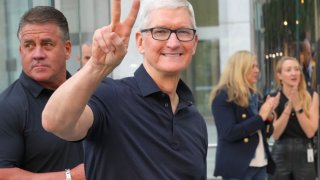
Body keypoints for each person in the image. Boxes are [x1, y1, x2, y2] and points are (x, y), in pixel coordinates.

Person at [42, 0, 208, 179]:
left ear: (195, 43)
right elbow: (54, 122)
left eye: (183, 32)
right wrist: (96, 66)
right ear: (140, 42)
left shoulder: (195, 121)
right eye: (161, 32)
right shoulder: (110, 97)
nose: (173, 43)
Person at [0, 6, 85, 179]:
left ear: (67, 49)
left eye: (47, 44)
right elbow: (4, 174)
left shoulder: (90, 92)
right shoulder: (7, 106)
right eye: (29, 46)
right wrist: (72, 176)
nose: (37, 54)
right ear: (21, 51)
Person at [210, 50, 279, 179]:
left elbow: (266, 134)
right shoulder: (223, 96)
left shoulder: (254, 95)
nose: (257, 70)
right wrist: (260, 117)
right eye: (253, 66)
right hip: (238, 168)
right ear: (240, 69)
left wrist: (268, 118)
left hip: (261, 164)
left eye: (257, 66)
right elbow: (229, 133)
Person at [268, 56, 319, 180]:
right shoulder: (273, 97)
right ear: (279, 76)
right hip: (280, 152)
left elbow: (310, 131)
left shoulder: (312, 95)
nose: (294, 73)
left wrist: (297, 107)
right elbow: (275, 134)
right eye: (289, 70)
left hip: (305, 151)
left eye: (297, 69)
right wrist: (288, 107)